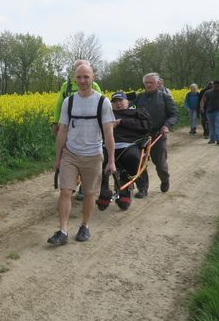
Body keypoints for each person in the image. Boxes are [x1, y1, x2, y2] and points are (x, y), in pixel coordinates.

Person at [47, 63, 116, 245]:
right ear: (74, 79)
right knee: (65, 191)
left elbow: (109, 133)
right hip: (71, 153)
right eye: (79, 77)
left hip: (93, 154)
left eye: (86, 77)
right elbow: (62, 131)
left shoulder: (103, 102)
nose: (83, 81)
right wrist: (58, 158)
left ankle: (85, 226)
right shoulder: (69, 102)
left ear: (93, 78)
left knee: (89, 193)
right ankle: (62, 230)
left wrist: (111, 161)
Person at [52, 59, 102, 201]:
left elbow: (100, 104)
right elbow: (59, 105)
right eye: (78, 72)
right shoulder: (66, 86)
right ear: (75, 73)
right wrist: (56, 122)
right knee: (69, 152)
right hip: (69, 125)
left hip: (89, 129)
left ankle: (82, 187)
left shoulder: (95, 86)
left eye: (85, 73)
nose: (82, 79)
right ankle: (70, 183)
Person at [96, 92, 151, 211]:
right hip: (107, 146)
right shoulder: (106, 115)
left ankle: (125, 186)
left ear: (128, 102)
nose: (118, 103)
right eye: (115, 101)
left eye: (121, 101)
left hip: (129, 145)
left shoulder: (136, 112)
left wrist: (122, 122)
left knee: (132, 158)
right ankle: (104, 189)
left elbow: (146, 126)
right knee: (97, 160)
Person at [132, 72, 178, 198]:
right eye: (146, 83)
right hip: (141, 134)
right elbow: (128, 108)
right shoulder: (139, 97)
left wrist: (167, 125)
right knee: (139, 161)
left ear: (157, 83)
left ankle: (165, 179)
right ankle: (143, 189)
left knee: (160, 163)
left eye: (151, 82)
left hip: (158, 134)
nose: (148, 85)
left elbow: (174, 114)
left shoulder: (165, 97)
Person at [200, 79, 219, 145]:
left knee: (217, 124)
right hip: (209, 112)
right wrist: (201, 107)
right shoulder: (208, 92)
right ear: (214, 85)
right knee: (211, 126)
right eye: (217, 86)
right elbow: (203, 100)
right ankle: (212, 139)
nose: (218, 88)